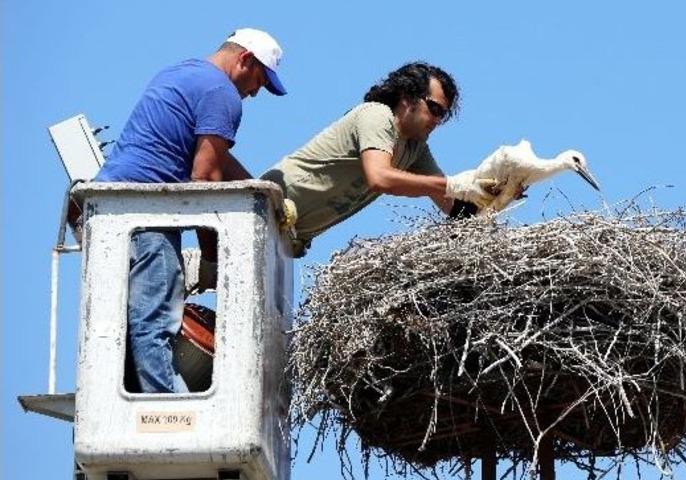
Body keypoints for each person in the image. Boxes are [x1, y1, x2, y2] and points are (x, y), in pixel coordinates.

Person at [94, 28, 287, 393]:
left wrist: (264, 193)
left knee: (122, 323)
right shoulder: (222, 93)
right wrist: (213, 255)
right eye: (259, 81)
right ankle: (160, 409)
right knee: (156, 319)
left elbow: (216, 159)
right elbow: (205, 179)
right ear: (245, 59)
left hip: (112, 209)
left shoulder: (182, 73)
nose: (255, 92)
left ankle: (138, 397)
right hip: (148, 215)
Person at [261, 62, 497, 257]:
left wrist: (497, 192)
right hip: (264, 209)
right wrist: (453, 184)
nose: (437, 120)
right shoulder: (376, 115)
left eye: (442, 115)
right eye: (434, 109)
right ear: (407, 98)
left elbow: (452, 204)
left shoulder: (416, 148)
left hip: (286, 235)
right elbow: (380, 177)